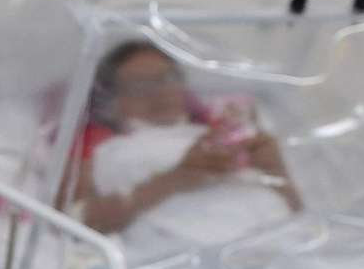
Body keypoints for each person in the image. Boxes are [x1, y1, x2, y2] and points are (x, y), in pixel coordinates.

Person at [71, 39, 300, 248]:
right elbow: (77, 225)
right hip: (189, 256)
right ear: (112, 99)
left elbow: (297, 214)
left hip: (279, 246)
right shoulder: (105, 154)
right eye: (141, 85)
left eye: (167, 79)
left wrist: (273, 167)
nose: (160, 92)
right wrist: (178, 177)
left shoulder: (218, 137)